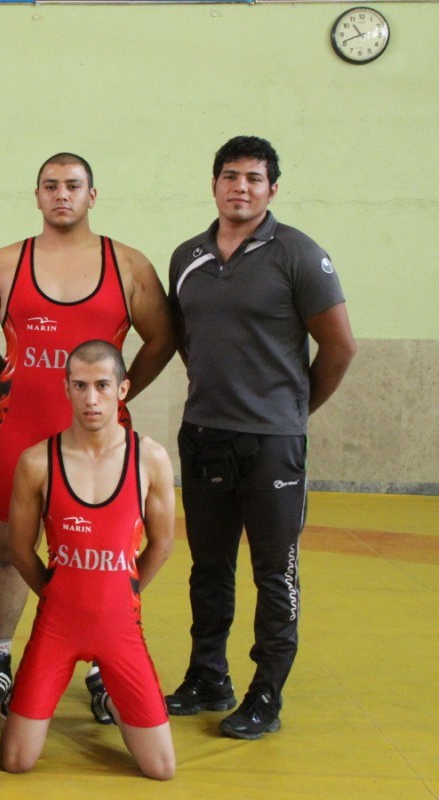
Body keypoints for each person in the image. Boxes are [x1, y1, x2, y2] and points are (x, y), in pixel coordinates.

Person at [0, 152, 174, 712]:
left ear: (92, 195)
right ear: (36, 196)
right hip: (22, 427)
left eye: (73, 185)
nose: (61, 195)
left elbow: (162, 337)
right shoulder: (6, 263)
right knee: (8, 546)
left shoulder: (128, 264)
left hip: (102, 436)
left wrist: (121, 394)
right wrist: (10, 384)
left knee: (108, 546)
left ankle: (105, 661)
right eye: (50, 186)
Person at [165, 136, 355, 739]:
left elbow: (340, 347)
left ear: (272, 188)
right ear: (214, 184)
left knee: (275, 574)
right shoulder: (188, 256)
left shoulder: (299, 254)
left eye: (253, 178)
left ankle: (266, 691)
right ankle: (207, 676)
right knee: (208, 567)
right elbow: (189, 341)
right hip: (204, 435)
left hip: (273, 444)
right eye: (230, 176)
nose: (240, 187)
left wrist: (292, 411)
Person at [1, 341, 176, 781]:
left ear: (123, 389)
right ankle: (94, 692)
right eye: (80, 386)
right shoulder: (37, 461)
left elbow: (162, 543)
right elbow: (20, 550)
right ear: (66, 389)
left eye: (102, 385)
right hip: (56, 626)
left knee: (160, 767)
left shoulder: (150, 458)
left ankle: (114, 698)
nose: (91, 398)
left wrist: (123, 592)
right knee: (16, 759)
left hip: (120, 626)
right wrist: (58, 595)